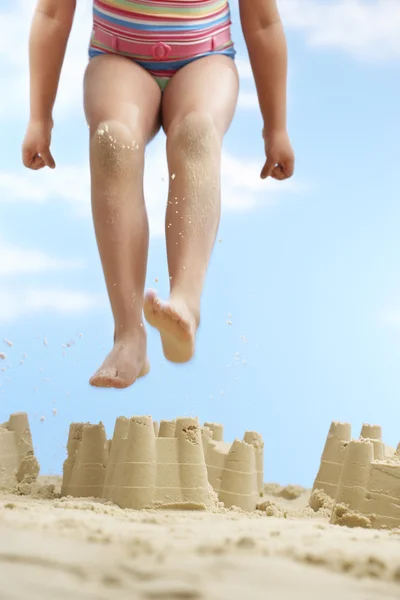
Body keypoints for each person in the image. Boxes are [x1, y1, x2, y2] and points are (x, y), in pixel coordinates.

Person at [22, 0, 295, 389]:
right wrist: (39, 117)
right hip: (119, 59)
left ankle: (185, 302)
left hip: (205, 58)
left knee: (197, 133)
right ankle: (128, 333)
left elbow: (264, 22)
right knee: (113, 141)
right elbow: (52, 14)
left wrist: (276, 127)